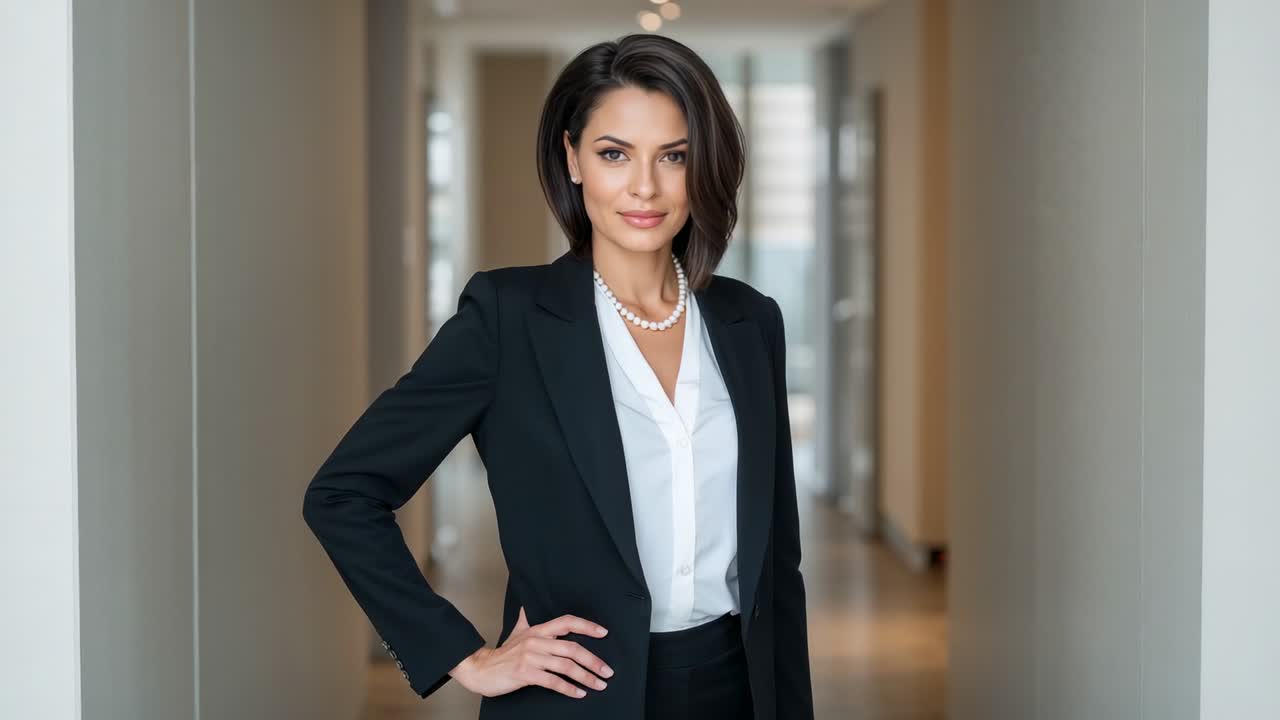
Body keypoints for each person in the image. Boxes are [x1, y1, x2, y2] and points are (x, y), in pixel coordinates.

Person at [302, 32, 813, 720]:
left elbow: (778, 568)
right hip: (574, 698)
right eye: (614, 154)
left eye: (674, 156)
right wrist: (463, 654)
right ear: (572, 158)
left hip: (737, 691)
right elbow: (343, 493)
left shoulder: (751, 323)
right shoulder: (507, 319)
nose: (644, 186)